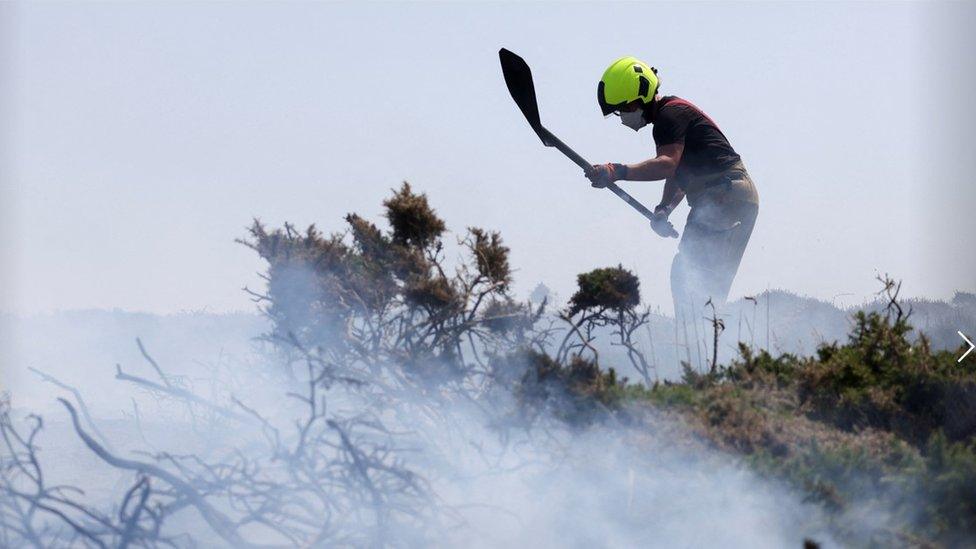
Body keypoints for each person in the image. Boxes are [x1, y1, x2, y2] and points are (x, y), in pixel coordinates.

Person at [587, 56, 759, 324]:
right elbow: (680, 176)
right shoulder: (671, 118)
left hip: (724, 194)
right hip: (734, 196)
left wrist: (616, 171)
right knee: (706, 287)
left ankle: (697, 346)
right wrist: (663, 210)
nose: (624, 117)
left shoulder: (670, 115)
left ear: (641, 97)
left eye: (625, 108)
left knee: (688, 275)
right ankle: (711, 352)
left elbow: (667, 165)